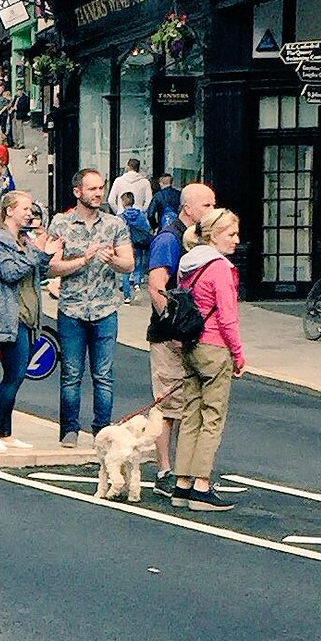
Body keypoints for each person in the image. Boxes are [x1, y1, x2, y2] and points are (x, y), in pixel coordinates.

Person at [48, 169, 134, 446]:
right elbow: (51, 265)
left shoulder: (114, 225)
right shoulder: (61, 224)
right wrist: (81, 261)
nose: (98, 193)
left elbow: (129, 263)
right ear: (77, 192)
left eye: (101, 188)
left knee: (104, 375)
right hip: (71, 309)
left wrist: (112, 261)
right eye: (92, 189)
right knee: (71, 373)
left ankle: (102, 431)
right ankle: (69, 429)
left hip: (105, 309)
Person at [171, 209, 246, 512]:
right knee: (213, 417)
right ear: (214, 235)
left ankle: (181, 484)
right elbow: (228, 317)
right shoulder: (220, 269)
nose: (236, 240)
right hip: (214, 346)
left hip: (190, 344)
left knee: (191, 414)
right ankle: (202, 485)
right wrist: (238, 353)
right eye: (231, 234)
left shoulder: (188, 264)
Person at [146, 182, 216, 497]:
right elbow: (157, 286)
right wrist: (174, 328)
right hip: (169, 337)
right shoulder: (169, 239)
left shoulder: (199, 241)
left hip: (192, 335)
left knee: (189, 406)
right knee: (168, 403)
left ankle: (184, 473)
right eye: (207, 205)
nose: (212, 211)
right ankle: (164, 470)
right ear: (188, 207)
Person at [0, 190, 60, 452]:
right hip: (7, 319)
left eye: (31, 209)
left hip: (27, 317)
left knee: (16, 376)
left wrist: (46, 253)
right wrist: (37, 253)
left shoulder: (24, 241)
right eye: (25, 208)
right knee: (13, 376)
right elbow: (10, 272)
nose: (29, 213)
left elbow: (40, 270)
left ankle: (5, 432)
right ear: (9, 211)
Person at [116, 191, 152, 303]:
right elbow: (147, 227)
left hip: (126, 245)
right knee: (138, 265)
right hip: (139, 243)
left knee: (126, 270)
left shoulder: (120, 217)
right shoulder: (141, 214)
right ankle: (137, 284)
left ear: (122, 202)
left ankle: (127, 296)